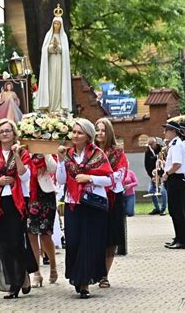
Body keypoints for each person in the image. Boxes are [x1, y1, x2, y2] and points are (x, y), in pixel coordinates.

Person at [0, 119, 36, 299]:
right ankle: (15, 279)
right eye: (2, 131)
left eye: (8, 131)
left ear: (14, 133)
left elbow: (25, 176)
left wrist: (17, 155)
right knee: (2, 243)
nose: (5, 134)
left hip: (17, 202)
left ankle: (19, 280)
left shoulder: (23, 152)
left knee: (17, 241)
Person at [56, 118, 113, 299]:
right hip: (73, 203)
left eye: (79, 132)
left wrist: (89, 178)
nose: (75, 135)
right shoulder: (68, 155)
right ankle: (77, 277)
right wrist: (60, 161)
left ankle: (85, 283)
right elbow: (62, 179)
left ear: (88, 136)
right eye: (73, 132)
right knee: (73, 242)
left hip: (93, 204)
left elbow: (110, 179)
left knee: (88, 243)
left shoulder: (98, 155)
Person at [95, 118, 128, 289]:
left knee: (110, 239)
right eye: (97, 130)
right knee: (95, 237)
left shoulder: (117, 153)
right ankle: (94, 270)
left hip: (113, 199)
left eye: (103, 130)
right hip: (93, 199)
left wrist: (96, 180)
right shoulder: (89, 151)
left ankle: (104, 275)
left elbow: (118, 176)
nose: (100, 134)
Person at [27, 153, 58, 288]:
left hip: (45, 195)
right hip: (28, 195)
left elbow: (52, 169)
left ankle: (53, 266)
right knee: (31, 234)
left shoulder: (45, 151)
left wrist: (44, 152)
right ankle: (36, 273)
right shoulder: (21, 149)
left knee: (45, 235)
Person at [37, 5, 72, 112]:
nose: (56, 25)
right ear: (52, 24)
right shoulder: (48, 35)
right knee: (51, 85)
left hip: (60, 64)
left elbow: (65, 51)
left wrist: (59, 47)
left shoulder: (64, 37)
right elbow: (45, 50)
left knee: (59, 85)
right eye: (55, 23)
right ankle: (50, 106)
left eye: (58, 24)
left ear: (61, 25)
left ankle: (58, 107)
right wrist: (52, 47)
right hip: (51, 63)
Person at [162, 121, 185, 250]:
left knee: (177, 210)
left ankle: (182, 240)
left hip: (177, 179)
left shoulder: (177, 145)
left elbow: (177, 164)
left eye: (166, 130)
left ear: (173, 131)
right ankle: (178, 237)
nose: (164, 133)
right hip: (174, 178)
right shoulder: (174, 144)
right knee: (174, 210)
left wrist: (167, 173)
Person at [144, 137, 167, 215]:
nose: (150, 146)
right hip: (154, 175)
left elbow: (165, 162)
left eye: (151, 144)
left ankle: (163, 209)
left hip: (163, 174)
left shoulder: (161, 149)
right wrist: (152, 176)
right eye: (149, 145)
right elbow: (147, 165)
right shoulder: (148, 152)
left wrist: (161, 174)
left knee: (163, 191)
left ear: (155, 143)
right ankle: (157, 208)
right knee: (151, 190)